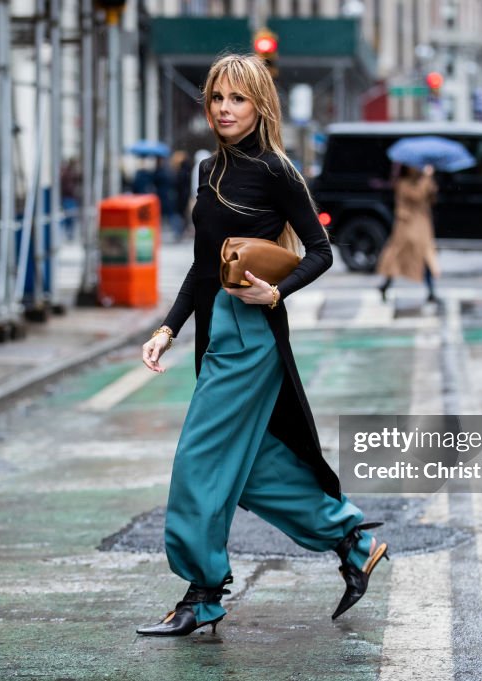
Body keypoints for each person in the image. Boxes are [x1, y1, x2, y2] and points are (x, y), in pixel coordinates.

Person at [137, 54, 389, 637]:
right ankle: (352, 541)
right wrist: (166, 330)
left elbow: (320, 251)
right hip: (212, 330)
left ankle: (202, 593)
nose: (225, 109)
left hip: (250, 337)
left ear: (260, 106)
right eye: (217, 97)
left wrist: (277, 292)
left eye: (238, 99)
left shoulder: (278, 170)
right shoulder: (205, 169)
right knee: (248, 469)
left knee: (198, 462)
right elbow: (203, 268)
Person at [376, 164, 440, 303]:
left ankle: (431, 291)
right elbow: (417, 195)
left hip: (421, 225)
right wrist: (427, 178)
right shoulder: (403, 183)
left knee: (426, 257)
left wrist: (430, 182)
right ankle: (386, 285)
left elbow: (431, 198)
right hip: (407, 226)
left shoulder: (422, 181)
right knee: (397, 257)